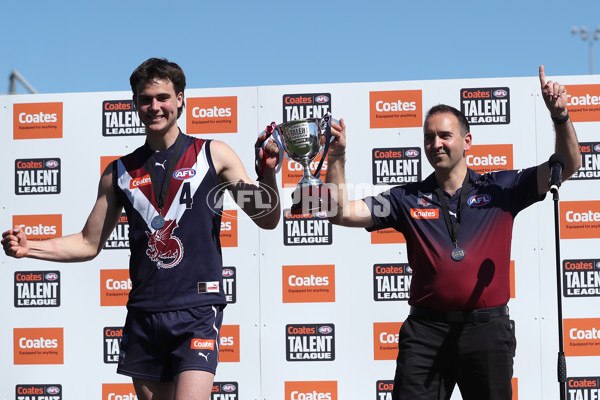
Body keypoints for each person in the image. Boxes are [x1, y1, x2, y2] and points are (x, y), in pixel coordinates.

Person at [2, 58, 280, 400]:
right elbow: (88, 244)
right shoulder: (118, 172)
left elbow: (266, 219)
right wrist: (31, 248)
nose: (155, 107)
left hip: (197, 310)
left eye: (163, 97)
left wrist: (268, 175)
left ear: (180, 98)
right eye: (146, 99)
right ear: (135, 103)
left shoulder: (214, 154)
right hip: (145, 314)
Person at [325, 66, 581, 400]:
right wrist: (338, 157)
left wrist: (560, 117)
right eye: (429, 137)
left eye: (445, 135)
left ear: (467, 141)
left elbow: (570, 165)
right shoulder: (406, 198)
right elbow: (339, 212)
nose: (436, 144)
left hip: (487, 332)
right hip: (426, 333)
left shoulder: (503, 187)